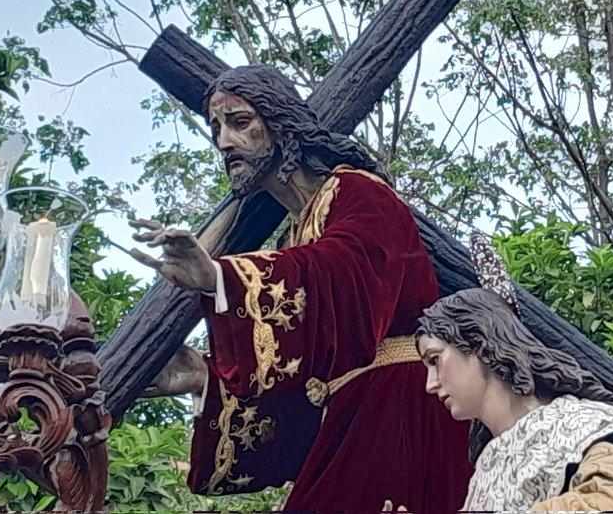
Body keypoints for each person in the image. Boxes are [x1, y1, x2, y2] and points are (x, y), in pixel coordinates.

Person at [128, 65, 471, 512]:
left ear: (281, 123)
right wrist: (206, 376)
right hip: (346, 418)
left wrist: (219, 277)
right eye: (216, 127)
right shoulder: (294, 236)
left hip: (400, 412)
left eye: (240, 121)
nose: (224, 142)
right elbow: (301, 373)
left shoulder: (360, 192)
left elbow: (347, 279)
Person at [412, 240, 613, 511]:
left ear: (480, 344)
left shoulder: (584, 427)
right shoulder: (487, 465)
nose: (431, 384)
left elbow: (609, 504)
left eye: (436, 360)